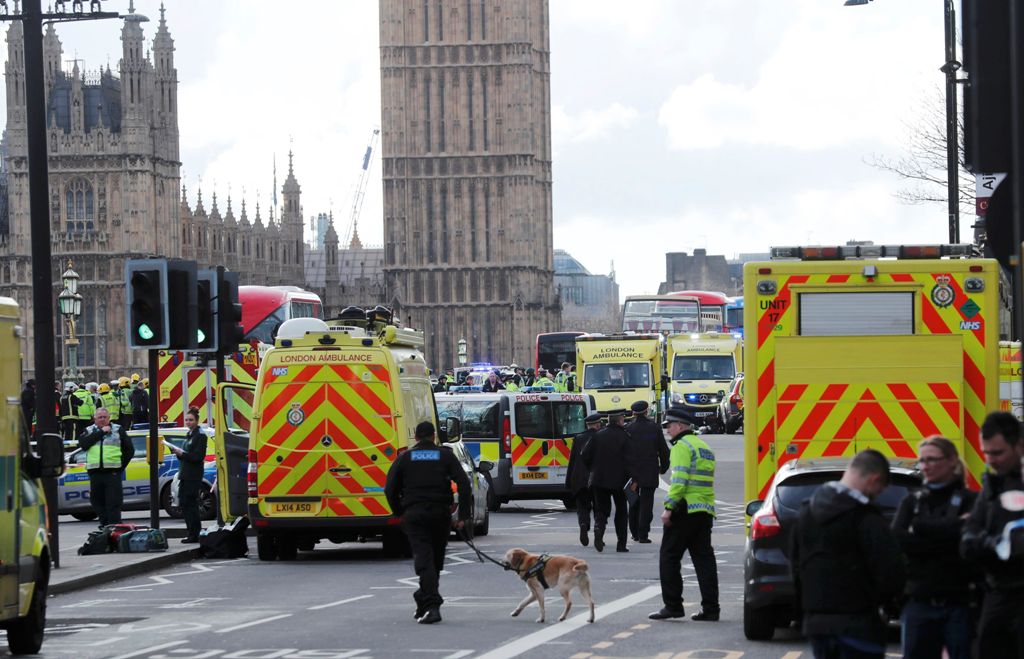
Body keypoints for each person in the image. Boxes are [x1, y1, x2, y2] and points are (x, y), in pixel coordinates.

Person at [790, 449, 906, 658]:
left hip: (817, 624)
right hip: (859, 623)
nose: (876, 496)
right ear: (874, 479)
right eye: (879, 490)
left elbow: (797, 567)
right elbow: (891, 571)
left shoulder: (806, 512)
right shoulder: (867, 518)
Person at [891, 436, 978, 659]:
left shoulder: (972, 501)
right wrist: (954, 527)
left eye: (932, 459)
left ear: (951, 461)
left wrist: (920, 530)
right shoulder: (912, 502)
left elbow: (969, 545)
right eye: (922, 460)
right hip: (919, 603)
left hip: (959, 604)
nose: (925, 465)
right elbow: (898, 540)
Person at [384, 420, 472, 625]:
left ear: (415, 437)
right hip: (440, 514)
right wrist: (463, 517)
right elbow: (464, 484)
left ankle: (424, 598)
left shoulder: (405, 458)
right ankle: (432, 604)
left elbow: (389, 488)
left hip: (414, 515)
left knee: (425, 560)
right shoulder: (445, 456)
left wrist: (400, 512)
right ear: (433, 436)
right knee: (435, 561)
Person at [961, 411, 1024, 657]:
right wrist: (999, 544)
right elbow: (967, 541)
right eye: (986, 453)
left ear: (1019, 445)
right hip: (998, 595)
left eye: (997, 453)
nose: (991, 461)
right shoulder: (992, 488)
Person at [650, 407, 720, 621]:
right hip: (704, 510)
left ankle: (673, 605)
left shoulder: (681, 447)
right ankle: (711, 609)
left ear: (680, 426)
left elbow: (679, 481)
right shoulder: (704, 447)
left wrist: (669, 508)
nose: (668, 431)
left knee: (669, 557)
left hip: (685, 508)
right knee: (704, 560)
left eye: (669, 426)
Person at [582, 408, 631, 552]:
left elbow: (584, 454)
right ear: (620, 420)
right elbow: (632, 459)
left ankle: (599, 529)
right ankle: (621, 544)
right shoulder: (625, 436)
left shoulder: (598, 435)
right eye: (623, 419)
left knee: (601, 509)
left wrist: (593, 468)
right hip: (620, 481)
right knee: (621, 511)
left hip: (599, 479)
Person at [76, 407, 134, 527]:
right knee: (96, 502)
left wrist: (120, 466)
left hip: (112, 473)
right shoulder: (89, 430)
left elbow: (129, 450)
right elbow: (84, 445)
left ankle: (114, 527)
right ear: (94, 419)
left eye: (104, 417)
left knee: (114, 502)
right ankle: (105, 525)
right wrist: (101, 432)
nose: (102, 419)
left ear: (109, 418)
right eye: (99, 417)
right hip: (95, 472)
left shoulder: (118, 430)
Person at [625, 400, 670, 544]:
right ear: (646, 411)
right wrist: (663, 467)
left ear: (633, 413)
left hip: (631, 472)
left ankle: (634, 533)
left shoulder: (628, 428)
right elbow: (663, 449)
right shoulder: (654, 428)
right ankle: (643, 534)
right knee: (646, 503)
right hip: (649, 471)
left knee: (633, 503)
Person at [169, 407, 208, 543]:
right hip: (185, 474)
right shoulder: (189, 434)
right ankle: (191, 532)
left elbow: (198, 456)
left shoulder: (200, 436)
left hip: (193, 475)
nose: (188, 422)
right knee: (184, 503)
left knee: (190, 504)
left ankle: (194, 534)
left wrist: (182, 454)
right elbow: (186, 455)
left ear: (197, 421)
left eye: (191, 420)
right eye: (186, 420)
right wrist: (177, 453)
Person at [566, 413, 602, 546]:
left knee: (582, 507)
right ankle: (598, 529)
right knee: (599, 507)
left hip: (580, 479)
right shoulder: (600, 437)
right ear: (598, 425)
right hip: (597, 479)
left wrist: (569, 481)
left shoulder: (579, 438)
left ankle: (583, 524)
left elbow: (572, 461)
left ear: (587, 425)